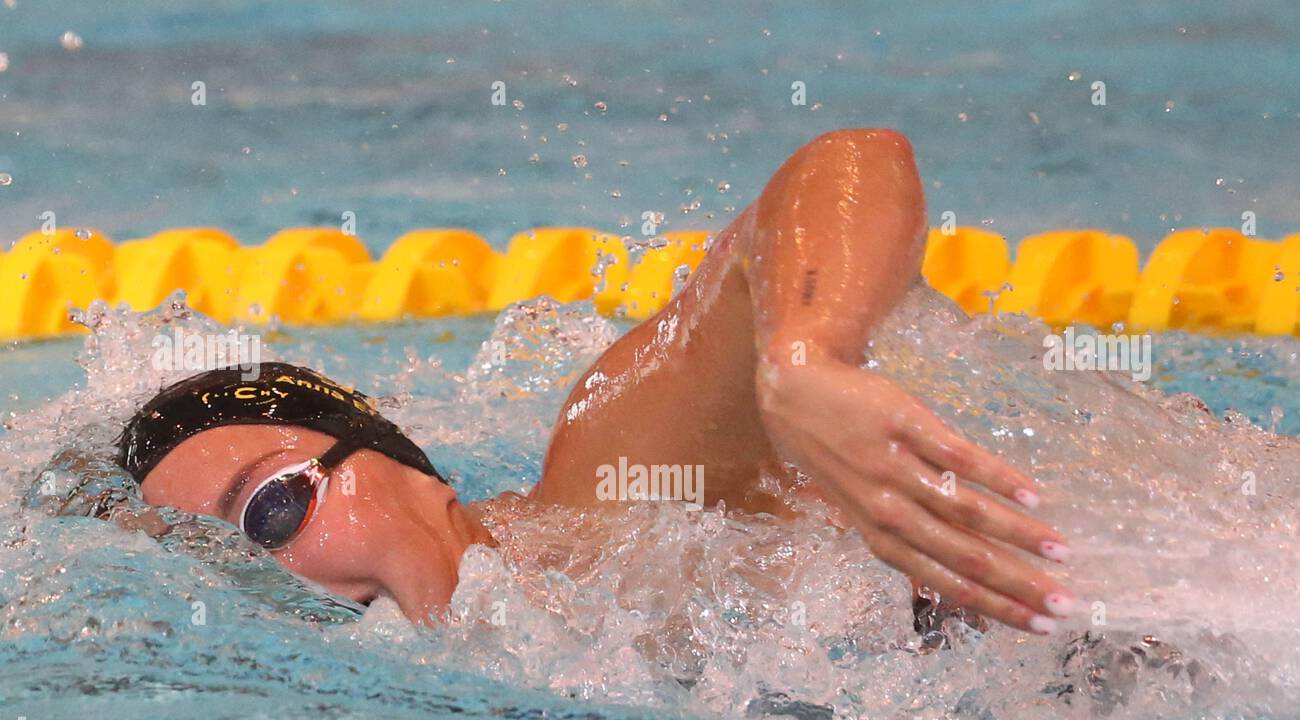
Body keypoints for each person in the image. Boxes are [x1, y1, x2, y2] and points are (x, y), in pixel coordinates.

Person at [118, 129, 1076, 633]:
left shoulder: (608, 486)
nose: (279, 583)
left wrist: (806, 359)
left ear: (407, 466)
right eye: (228, 573)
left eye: (274, 512)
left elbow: (851, 161)